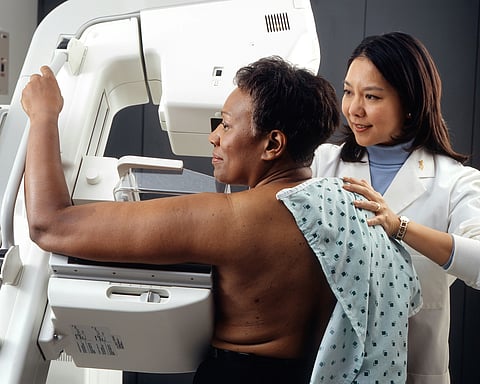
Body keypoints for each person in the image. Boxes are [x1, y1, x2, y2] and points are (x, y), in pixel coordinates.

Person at [21, 56, 421, 383]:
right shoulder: (351, 207)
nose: (213, 137)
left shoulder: (232, 220)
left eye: (226, 125)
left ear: (273, 144)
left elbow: (49, 224)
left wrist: (44, 117)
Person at [311, 31, 480, 384]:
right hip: (330, 367)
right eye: (348, 91)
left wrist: (400, 227)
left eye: (371, 96)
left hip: (415, 371)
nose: (353, 109)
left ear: (410, 104)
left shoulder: (455, 182)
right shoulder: (321, 165)